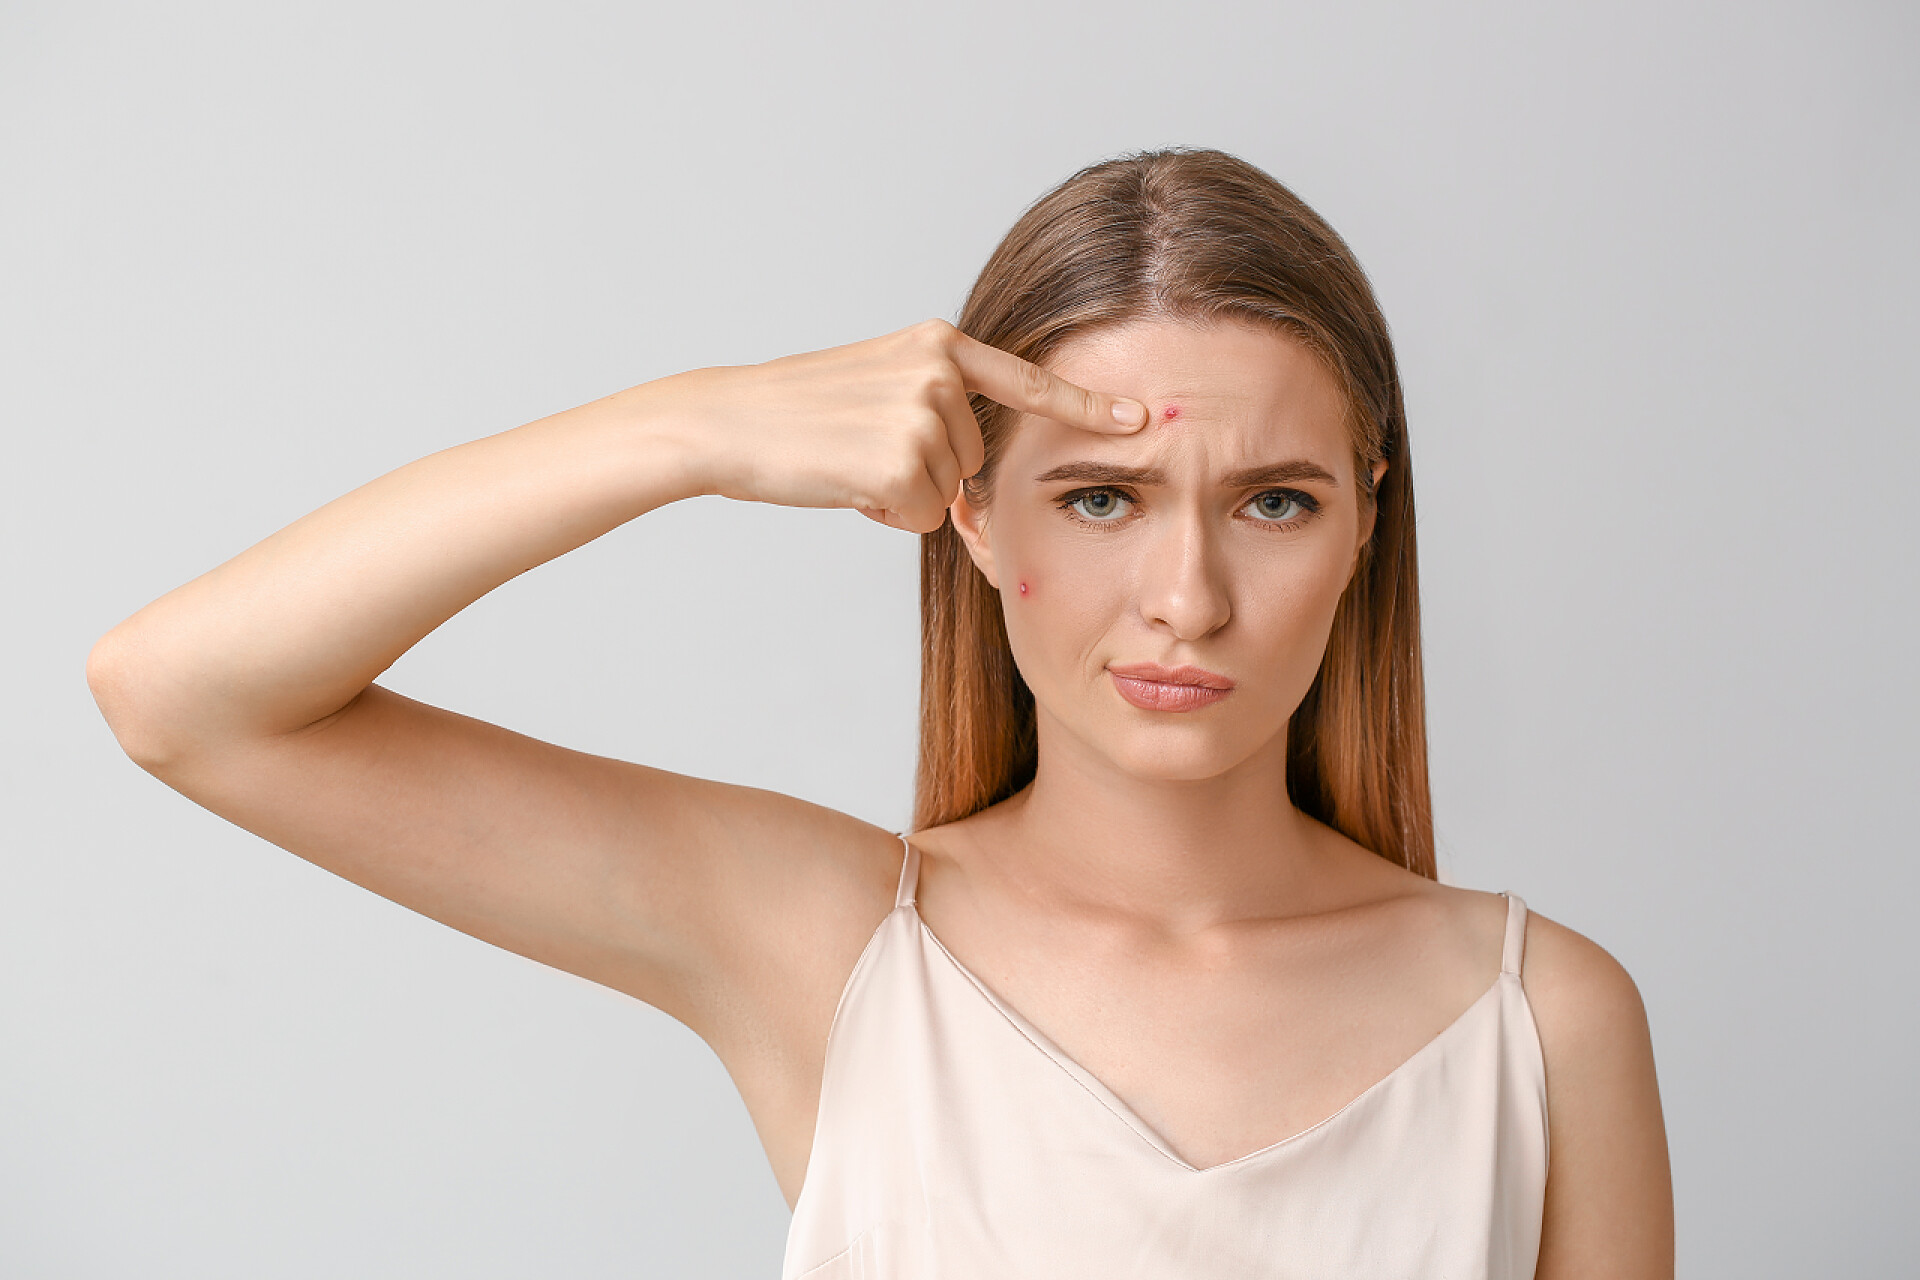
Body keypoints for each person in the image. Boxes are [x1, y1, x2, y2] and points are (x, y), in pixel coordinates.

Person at [86, 147, 1673, 1277]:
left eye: (1273, 502)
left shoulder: (1545, 1026)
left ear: (1368, 522)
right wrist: (692, 424)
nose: (1187, 596)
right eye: (1103, 496)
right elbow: (183, 698)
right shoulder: (831, 943)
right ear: (972, 516)